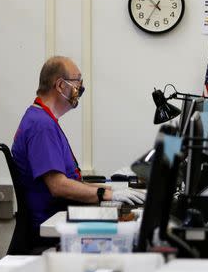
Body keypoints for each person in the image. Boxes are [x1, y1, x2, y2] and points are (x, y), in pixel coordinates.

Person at [12, 56, 142, 246]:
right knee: (132, 238)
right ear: (60, 85)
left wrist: (111, 190)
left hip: (61, 216)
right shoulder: (42, 126)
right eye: (77, 81)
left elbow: (71, 182)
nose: (80, 87)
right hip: (52, 226)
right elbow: (59, 186)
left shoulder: (42, 120)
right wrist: (107, 195)